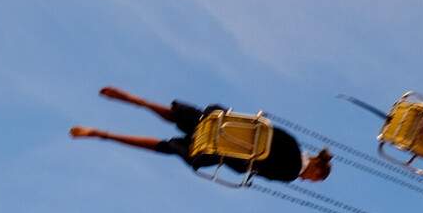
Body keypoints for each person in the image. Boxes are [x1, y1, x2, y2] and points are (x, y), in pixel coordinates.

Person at [69, 87, 332, 182]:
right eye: (313, 178)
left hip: (224, 127)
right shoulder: (289, 173)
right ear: (316, 169)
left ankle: (136, 100)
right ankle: (103, 134)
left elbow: (264, 127)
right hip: (220, 151)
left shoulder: (293, 143)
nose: (308, 180)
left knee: (176, 116)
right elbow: (261, 169)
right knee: (166, 147)